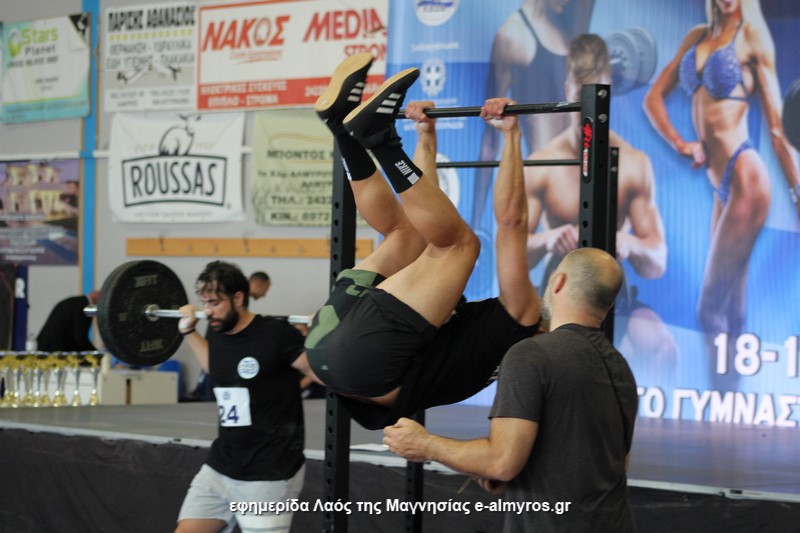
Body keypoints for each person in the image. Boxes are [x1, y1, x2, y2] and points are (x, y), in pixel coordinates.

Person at [290, 53, 541, 430]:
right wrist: (426, 135)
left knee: (461, 246)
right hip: (329, 352)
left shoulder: (523, 319)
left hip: (366, 361)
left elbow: (511, 223)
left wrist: (511, 136)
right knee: (407, 234)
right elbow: (426, 218)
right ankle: (343, 129)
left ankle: (379, 139)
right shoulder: (486, 353)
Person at [384, 247, 638, 532]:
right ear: (609, 303)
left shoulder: (532, 355)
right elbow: (613, 463)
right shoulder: (620, 367)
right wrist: (521, 472)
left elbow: (501, 462)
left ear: (558, 281)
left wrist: (424, 444)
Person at [643, 0, 799, 389]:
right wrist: (682, 143)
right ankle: (730, 401)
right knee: (732, 312)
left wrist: (797, 190)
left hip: (747, 177)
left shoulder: (752, 36)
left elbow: (776, 129)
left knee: (709, 311)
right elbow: (653, 98)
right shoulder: (697, 37)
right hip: (722, 187)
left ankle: (720, 400)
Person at [526, 34, 677, 381]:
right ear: (568, 89)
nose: (591, 109)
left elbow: (657, 262)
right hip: (557, 288)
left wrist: (629, 243)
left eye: (599, 95)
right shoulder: (541, 163)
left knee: (662, 347)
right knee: (528, 350)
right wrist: (548, 239)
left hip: (610, 292)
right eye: (583, 97)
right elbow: (515, 254)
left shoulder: (634, 163)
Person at [175, 261, 306, 533]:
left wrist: (326, 337)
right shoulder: (217, 330)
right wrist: (188, 331)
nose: (207, 311)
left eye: (215, 303)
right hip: (221, 465)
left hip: (268, 472)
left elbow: (325, 374)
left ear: (238, 298)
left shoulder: (277, 334)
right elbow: (215, 367)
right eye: (204, 303)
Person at [471, 0, 595, 268]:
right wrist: (476, 224)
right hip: (545, 187)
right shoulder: (513, 35)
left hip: (580, 178)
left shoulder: (569, 24)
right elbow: (489, 138)